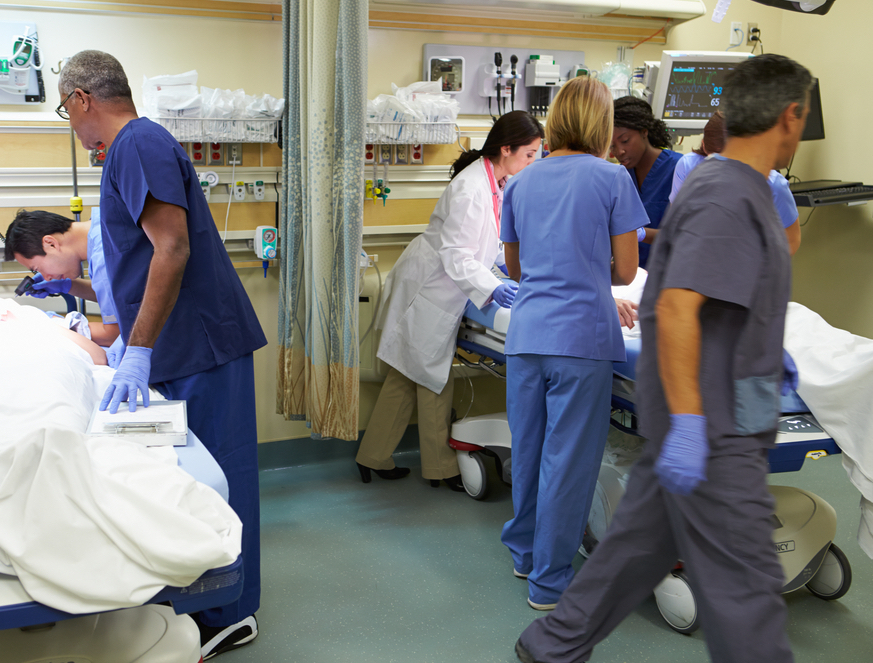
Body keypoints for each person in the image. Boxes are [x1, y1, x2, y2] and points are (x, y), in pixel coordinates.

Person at [515, 53, 811, 663]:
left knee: (634, 545)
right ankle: (552, 620)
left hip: (679, 396)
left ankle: (551, 639)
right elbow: (672, 305)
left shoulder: (742, 187)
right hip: (711, 419)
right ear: (790, 115)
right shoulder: (721, 193)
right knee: (743, 584)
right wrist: (693, 425)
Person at [57, 50, 267, 659]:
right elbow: (140, 260)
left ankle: (233, 614)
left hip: (200, 344)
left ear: (82, 99)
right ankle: (203, 596)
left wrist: (138, 351)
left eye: (66, 110)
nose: (72, 126)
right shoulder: (130, 150)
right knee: (197, 482)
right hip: (181, 345)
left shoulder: (137, 144)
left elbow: (171, 248)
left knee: (223, 479)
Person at [499, 76, 646, 611]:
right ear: (602, 124)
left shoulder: (520, 183)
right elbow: (626, 270)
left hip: (526, 336)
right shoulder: (613, 178)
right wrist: (585, 268)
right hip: (581, 338)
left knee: (529, 450)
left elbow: (516, 268)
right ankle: (549, 580)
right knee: (568, 462)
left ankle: (524, 553)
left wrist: (557, 265)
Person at [356, 111, 544, 491]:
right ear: (506, 149)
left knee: (407, 375)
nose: (532, 162)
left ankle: (372, 456)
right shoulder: (471, 188)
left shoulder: (495, 183)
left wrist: (508, 269)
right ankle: (441, 469)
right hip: (430, 287)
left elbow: (486, 241)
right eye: (529, 154)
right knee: (432, 378)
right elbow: (457, 253)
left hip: (441, 284)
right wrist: (492, 288)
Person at [670, 110, 802, 255]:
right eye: (715, 159)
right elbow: (677, 223)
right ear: (704, 146)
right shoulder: (688, 166)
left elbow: (792, 240)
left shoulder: (772, 184)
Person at [4, 209, 120, 347]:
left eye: (37, 268)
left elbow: (115, 335)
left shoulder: (105, 259)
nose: (47, 278)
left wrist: (50, 326)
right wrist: (67, 285)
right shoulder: (105, 218)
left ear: (51, 243)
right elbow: (115, 295)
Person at [610, 96, 682, 268]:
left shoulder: (678, 168)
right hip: (631, 274)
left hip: (666, 272)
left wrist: (639, 234)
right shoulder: (621, 176)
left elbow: (684, 235)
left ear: (644, 132)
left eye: (625, 141)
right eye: (612, 146)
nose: (619, 151)